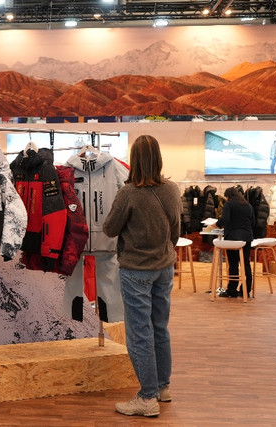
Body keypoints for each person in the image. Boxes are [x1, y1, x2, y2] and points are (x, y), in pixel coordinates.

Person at [103, 134, 182, 418]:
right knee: (159, 328)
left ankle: (147, 398)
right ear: (158, 158)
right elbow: (176, 231)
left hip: (136, 269)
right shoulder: (172, 189)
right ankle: (162, 387)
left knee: (139, 334)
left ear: (134, 160)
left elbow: (110, 228)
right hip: (164, 267)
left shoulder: (129, 193)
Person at [216, 186, 256, 298]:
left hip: (233, 237)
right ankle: (246, 290)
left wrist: (217, 224)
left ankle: (232, 290)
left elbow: (225, 219)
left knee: (233, 264)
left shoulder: (229, 204)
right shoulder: (248, 205)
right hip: (247, 237)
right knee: (246, 264)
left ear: (228, 196)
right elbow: (253, 222)